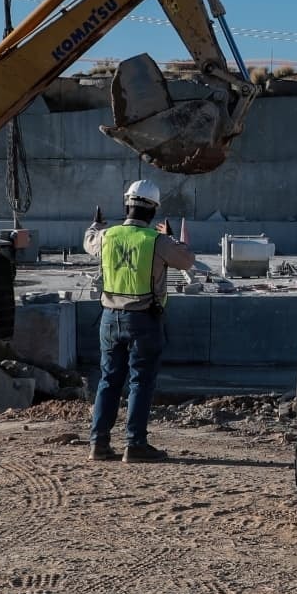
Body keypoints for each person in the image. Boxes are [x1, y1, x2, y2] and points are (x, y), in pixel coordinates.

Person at [83, 179, 203, 462]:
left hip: (109, 319)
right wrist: (172, 237)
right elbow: (187, 260)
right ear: (153, 211)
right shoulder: (157, 241)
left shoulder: (107, 236)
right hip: (144, 321)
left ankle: (98, 443)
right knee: (141, 381)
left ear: (126, 205)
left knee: (109, 380)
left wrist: (95, 225)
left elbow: (89, 241)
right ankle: (134, 444)